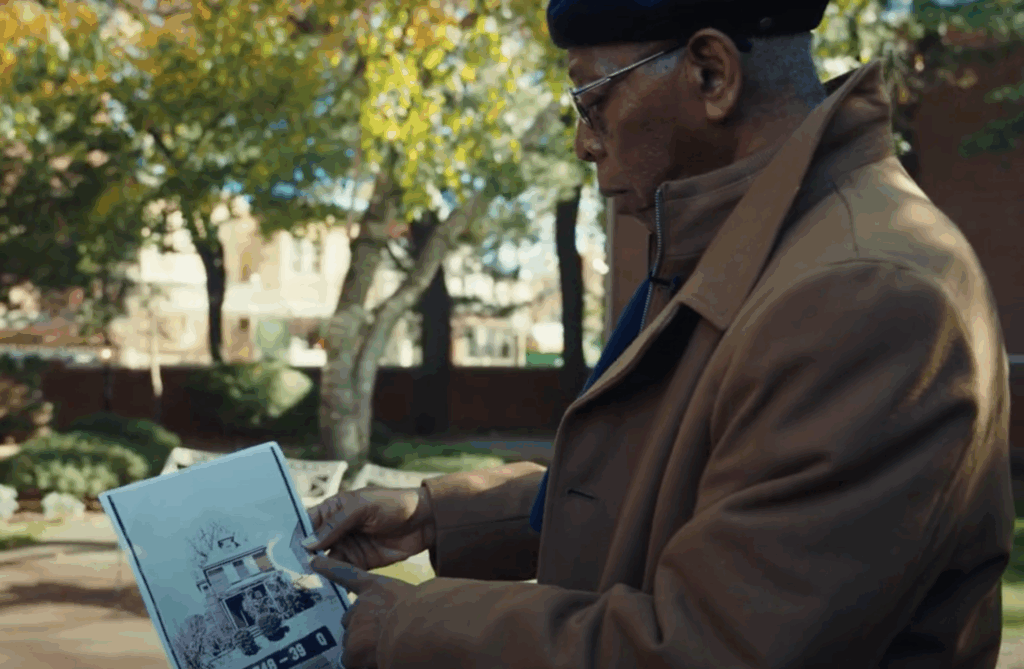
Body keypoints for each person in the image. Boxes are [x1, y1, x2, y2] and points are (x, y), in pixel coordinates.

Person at [303, 0, 1015, 666]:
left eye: (592, 99)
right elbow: (683, 492)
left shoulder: (863, 294)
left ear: (711, 74)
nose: (584, 143)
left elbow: (711, 645)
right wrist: (438, 517)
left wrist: (406, 626)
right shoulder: (770, 248)